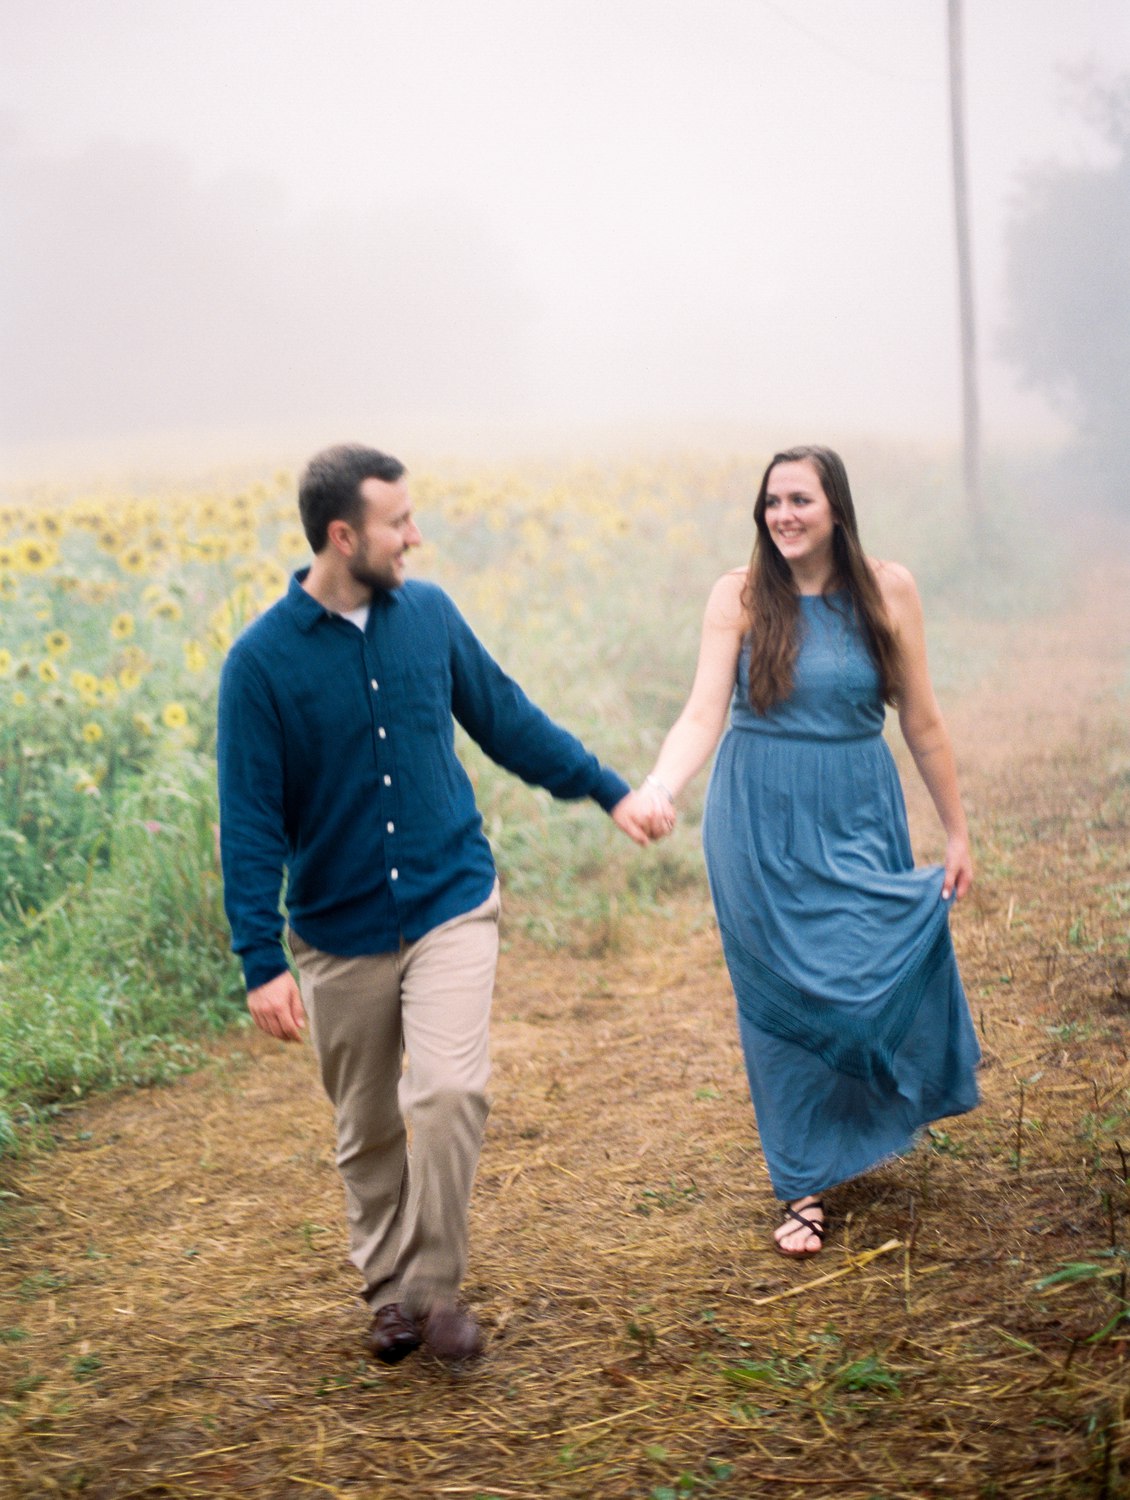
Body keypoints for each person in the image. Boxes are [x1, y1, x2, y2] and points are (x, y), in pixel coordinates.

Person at [217, 443, 654, 1363]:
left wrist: (608, 789)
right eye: (397, 522)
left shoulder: (432, 617)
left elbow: (506, 719)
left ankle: (435, 1288)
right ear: (344, 536)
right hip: (339, 932)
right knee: (367, 1124)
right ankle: (387, 1295)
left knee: (450, 1091)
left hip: (453, 898)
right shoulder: (258, 666)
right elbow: (249, 818)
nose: (414, 535)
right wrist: (261, 960)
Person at [620, 445, 980, 1257]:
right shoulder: (741, 596)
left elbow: (921, 721)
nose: (782, 515)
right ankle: (804, 1184)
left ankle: (861, 1121)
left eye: (799, 500)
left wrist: (956, 830)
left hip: (856, 810)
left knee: (858, 970)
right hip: (757, 822)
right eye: (771, 501)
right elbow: (702, 713)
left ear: (836, 508)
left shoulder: (889, 590)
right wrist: (662, 786)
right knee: (781, 1001)